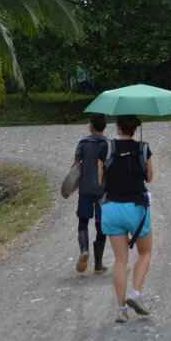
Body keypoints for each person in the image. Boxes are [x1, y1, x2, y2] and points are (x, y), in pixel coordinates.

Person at [97, 115, 154, 323]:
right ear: (135, 128)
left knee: (120, 260)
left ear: (117, 126)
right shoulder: (143, 148)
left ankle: (121, 309)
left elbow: (99, 181)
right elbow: (149, 177)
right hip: (136, 209)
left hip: (112, 208)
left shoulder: (106, 149)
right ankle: (135, 293)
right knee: (145, 252)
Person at [65, 113, 108, 274]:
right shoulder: (109, 144)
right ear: (104, 127)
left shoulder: (83, 142)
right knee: (100, 224)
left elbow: (76, 168)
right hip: (102, 191)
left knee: (83, 221)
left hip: (85, 190)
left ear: (91, 126)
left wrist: (67, 189)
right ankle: (98, 265)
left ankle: (84, 249)